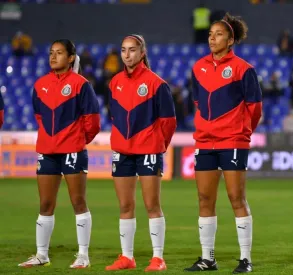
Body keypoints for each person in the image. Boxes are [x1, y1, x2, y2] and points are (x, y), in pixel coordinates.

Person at [184, 13, 262, 274]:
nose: (212, 38)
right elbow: (197, 102)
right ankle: (208, 258)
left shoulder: (243, 69)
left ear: (230, 40)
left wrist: (240, 132)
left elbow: (255, 108)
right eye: (210, 34)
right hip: (205, 141)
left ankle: (245, 259)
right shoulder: (198, 67)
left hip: (233, 141)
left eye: (218, 34)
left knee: (236, 197)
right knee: (205, 198)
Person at [18, 39, 101, 268]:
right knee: (45, 204)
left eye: (59, 53)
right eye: (51, 53)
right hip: (47, 151)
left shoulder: (81, 85)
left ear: (71, 58)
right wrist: (50, 139)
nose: (53, 57)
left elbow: (92, 122)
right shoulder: (40, 84)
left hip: (73, 151)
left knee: (78, 202)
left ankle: (83, 255)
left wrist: (75, 141)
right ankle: (41, 255)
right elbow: (39, 116)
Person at [105, 34, 176, 272]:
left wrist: (157, 146)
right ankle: (127, 257)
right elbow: (113, 116)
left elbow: (168, 122)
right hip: (122, 151)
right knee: (125, 206)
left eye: (132, 50)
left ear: (142, 53)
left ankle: (158, 258)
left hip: (148, 150)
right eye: (124, 50)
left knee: (151, 205)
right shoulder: (114, 82)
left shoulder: (157, 84)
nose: (127, 54)